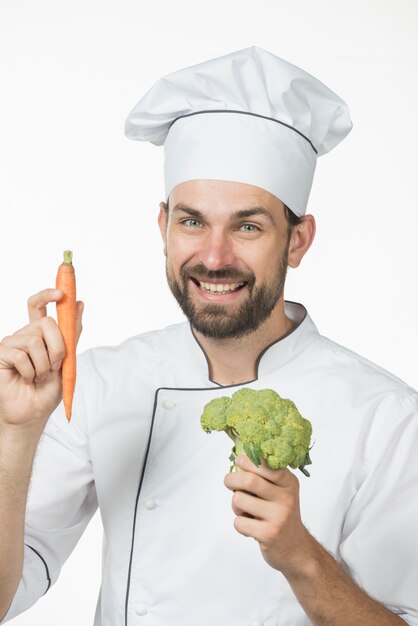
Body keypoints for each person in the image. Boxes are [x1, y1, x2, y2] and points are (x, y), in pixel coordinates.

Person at [0, 47, 417, 626]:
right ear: (163, 227)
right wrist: (16, 434)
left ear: (298, 240)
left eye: (248, 225)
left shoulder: (386, 417)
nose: (214, 257)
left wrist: (302, 560)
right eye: (192, 221)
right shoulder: (100, 382)